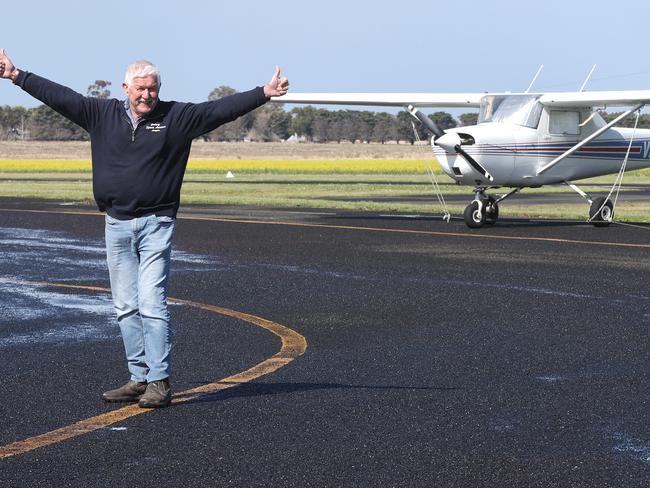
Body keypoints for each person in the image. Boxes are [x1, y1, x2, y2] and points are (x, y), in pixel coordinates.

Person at [0, 49, 289, 408]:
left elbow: (220, 110)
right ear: (125, 88)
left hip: (157, 223)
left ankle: (160, 381)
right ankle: (138, 377)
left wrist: (263, 92)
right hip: (116, 224)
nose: (146, 95)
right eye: (139, 89)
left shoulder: (178, 117)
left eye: (152, 89)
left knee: (151, 303)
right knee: (124, 306)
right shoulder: (100, 113)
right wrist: (17, 75)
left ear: (159, 88)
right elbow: (62, 97)